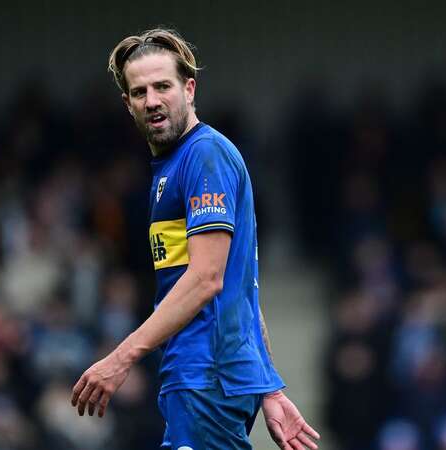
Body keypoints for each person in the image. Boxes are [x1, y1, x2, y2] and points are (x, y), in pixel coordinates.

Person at [70, 28, 320, 450]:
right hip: (200, 379)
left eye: (163, 86)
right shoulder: (172, 166)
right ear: (127, 104)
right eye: (139, 92)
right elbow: (240, 292)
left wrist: (121, 357)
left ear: (189, 88)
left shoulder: (204, 155)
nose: (152, 101)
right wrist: (268, 387)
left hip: (206, 376)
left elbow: (207, 279)